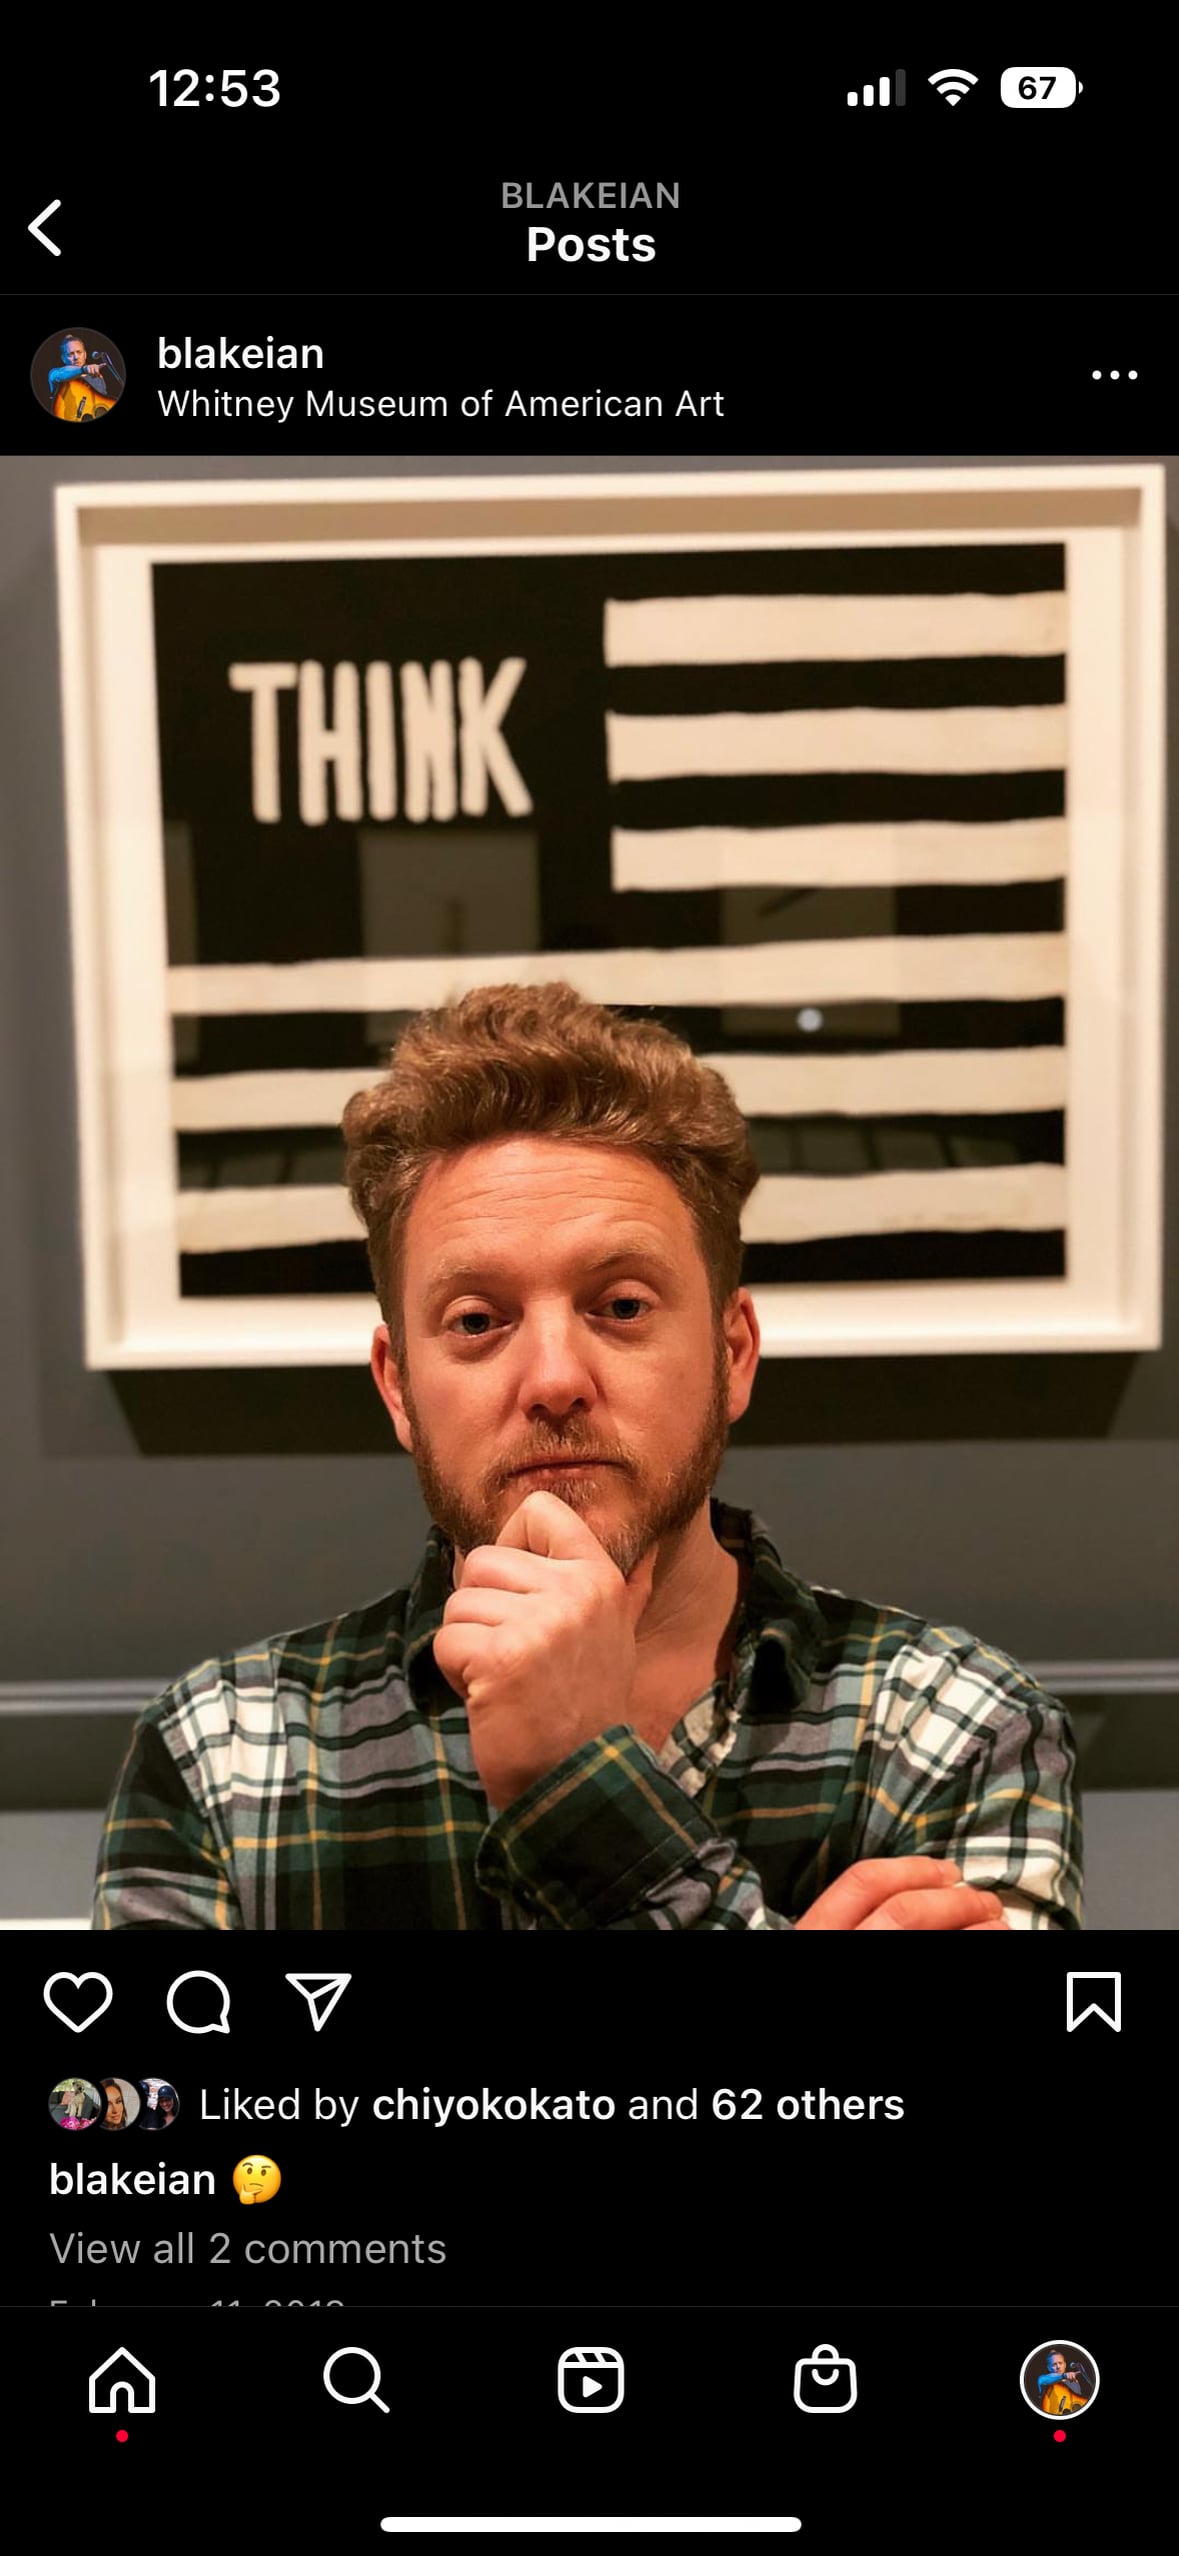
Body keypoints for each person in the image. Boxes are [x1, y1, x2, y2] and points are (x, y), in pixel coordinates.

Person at [94, 981, 1082, 1932]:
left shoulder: (952, 1727)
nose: (555, 1378)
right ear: (398, 1388)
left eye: (620, 1306)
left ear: (731, 1355)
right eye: (476, 1319)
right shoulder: (224, 1754)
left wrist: (576, 1780)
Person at [46, 335, 116, 421]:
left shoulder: (98, 377)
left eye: (79, 352)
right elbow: (61, 374)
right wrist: (84, 369)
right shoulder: (56, 373)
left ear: (85, 355)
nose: (76, 357)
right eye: (70, 354)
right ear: (63, 358)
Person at [1037, 2350, 1090, 2414]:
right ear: (1048, 2368)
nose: (1058, 2366)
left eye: (1060, 2363)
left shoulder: (1075, 2381)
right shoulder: (1043, 2379)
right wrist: (1064, 2375)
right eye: (1054, 2364)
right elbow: (1043, 2379)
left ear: (1065, 2365)